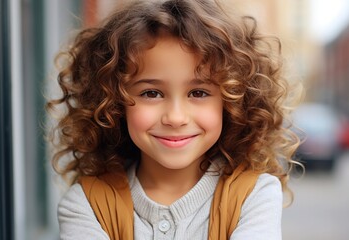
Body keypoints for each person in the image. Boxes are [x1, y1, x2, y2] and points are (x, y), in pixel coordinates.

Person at [47, 0, 302, 239]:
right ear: (113, 102)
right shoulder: (87, 205)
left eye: (198, 93)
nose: (175, 118)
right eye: (151, 93)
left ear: (232, 103)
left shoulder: (254, 195)